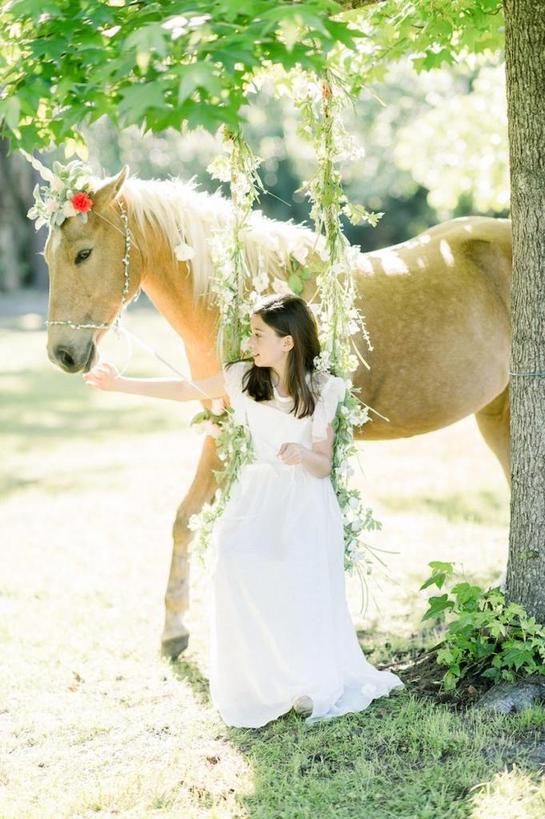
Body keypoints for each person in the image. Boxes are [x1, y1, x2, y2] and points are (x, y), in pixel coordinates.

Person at [83, 293, 404, 727]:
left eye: (259, 334)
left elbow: (322, 465)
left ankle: (310, 683)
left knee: (300, 580)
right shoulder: (240, 378)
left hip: (304, 499)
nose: (250, 341)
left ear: (287, 342)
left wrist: (300, 453)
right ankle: (261, 682)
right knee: (235, 563)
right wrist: (120, 382)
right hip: (255, 494)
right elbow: (184, 390)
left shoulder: (323, 389)